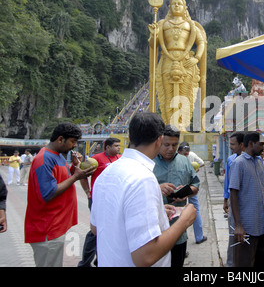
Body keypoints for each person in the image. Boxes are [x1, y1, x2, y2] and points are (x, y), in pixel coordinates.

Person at [90, 113, 196, 267]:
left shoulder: (106, 173)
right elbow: (145, 256)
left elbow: (95, 227)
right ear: (159, 140)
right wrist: (184, 221)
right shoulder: (143, 178)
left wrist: (157, 211)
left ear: (130, 137)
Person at [24, 122, 96, 267]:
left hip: (54, 226)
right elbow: (49, 193)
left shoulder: (57, 156)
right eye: (73, 141)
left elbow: (61, 179)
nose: (74, 146)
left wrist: (74, 167)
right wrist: (76, 176)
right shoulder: (44, 159)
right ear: (60, 139)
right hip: (46, 229)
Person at [149, 0, 207, 131]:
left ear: (185, 7)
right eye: (174, 3)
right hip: (167, 61)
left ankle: (182, 124)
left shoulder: (191, 25)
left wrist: (197, 58)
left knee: (185, 95)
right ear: (169, 7)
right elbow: (153, 45)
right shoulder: (162, 24)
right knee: (167, 96)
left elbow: (201, 43)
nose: (176, 5)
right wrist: (154, 34)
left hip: (186, 62)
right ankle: (168, 125)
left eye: (179, 3)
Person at [154, 125, 200, 267]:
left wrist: (186, 191)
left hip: (178, 228)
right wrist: (157, 188)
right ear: (159, 141)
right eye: (166, 145)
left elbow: (195, 185)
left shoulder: (184, 161)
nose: (171, 149)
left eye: (174, 145)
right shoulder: (149, 162)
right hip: (156, 229)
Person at [229, 131, 264, 267]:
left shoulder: (260, 162)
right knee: (245, 263)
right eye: (261, 144)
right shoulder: (239, 163)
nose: (263, 148)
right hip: (246, 229)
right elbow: (233, 193)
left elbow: (263, 191)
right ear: (250, 144)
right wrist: (238, 225)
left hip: (262, 225)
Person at [78, 137, 122, 267]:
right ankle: (84, 263)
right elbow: (82, 175)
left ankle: (100, 261)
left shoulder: (121, 159)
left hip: (114, 200)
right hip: (98, 200)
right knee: (95, 231)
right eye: (115, 146)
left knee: (109, 231)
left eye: (119, 146)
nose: (118, 148)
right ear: (107, 147)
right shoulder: (95, 159)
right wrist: (87, 192)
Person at [177, 142, 207, 245]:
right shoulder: (192, 156)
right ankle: (198, 237)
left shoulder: (177, 159)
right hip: (189, 185)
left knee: (185, 210)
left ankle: (184, 239)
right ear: (179, 151)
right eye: (184, 154)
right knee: (191, 209)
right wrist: (195, 169)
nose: (186, 156)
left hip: (186, 186)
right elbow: (202, 163)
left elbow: (202, 163)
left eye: (187, 154)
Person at [223, 131, 245, 267]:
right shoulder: (231, 160)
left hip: (247, 201)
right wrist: (226, 199)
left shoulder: (254, 160)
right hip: (233, 200)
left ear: (242, 145)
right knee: (233, 231)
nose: (230, 146)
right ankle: (231, 264)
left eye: (233, 144)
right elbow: (227, 181)